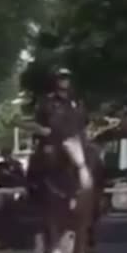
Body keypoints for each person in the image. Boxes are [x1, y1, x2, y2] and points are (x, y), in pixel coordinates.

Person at [26, 68, 87, 196]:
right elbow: (39, 123)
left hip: (76, 141)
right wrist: (42, 141)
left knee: (94, 155)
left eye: (66, 78)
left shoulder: (77, 101)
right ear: (56, 81)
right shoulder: (46, 102)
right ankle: (34, 192)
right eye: (61, 78)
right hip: (53, 142)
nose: (64, 81)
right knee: (40, 159)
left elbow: (83, 122)